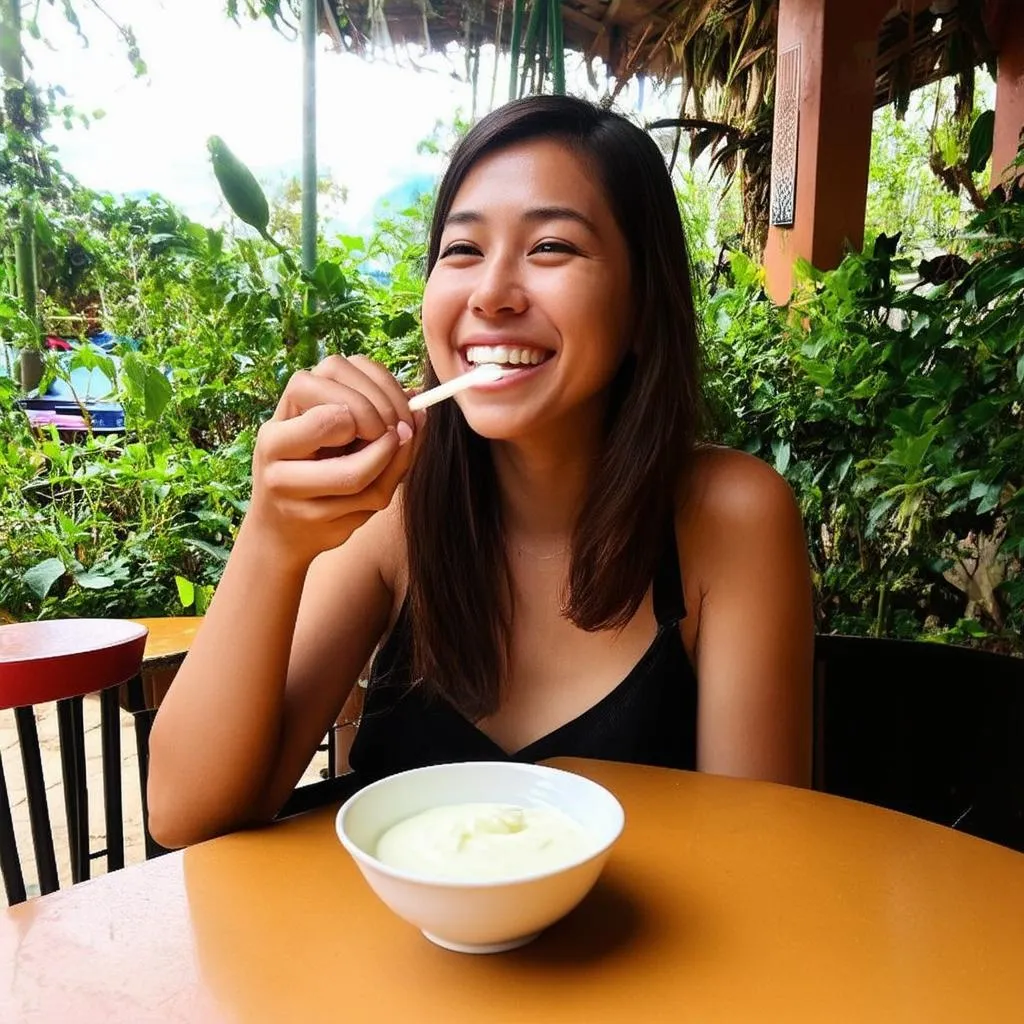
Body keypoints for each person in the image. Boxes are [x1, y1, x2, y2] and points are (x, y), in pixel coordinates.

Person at [147, 95, 813, 849]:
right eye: (462, 251)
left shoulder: (729, 518)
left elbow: (761, 857)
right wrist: (271, 539)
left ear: (640, 304)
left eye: (552, 247)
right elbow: (185, 816)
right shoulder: (393, 502)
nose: (491, 294)